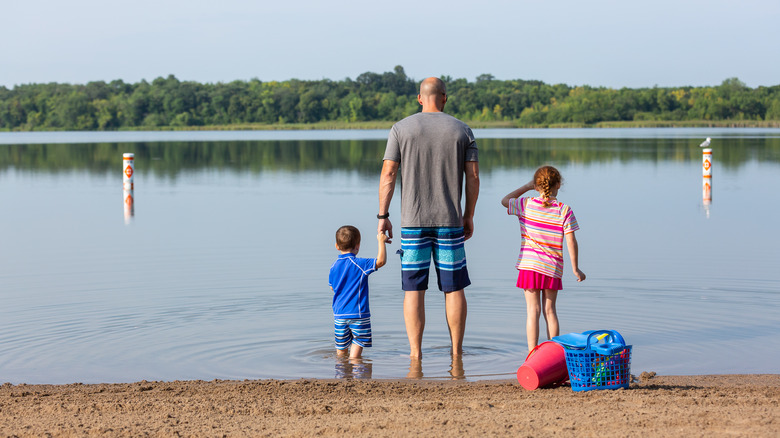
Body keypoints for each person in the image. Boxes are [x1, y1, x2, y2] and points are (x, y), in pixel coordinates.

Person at [378, 77, 480, 359]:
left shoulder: (400, 129)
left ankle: (415, 355)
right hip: (450, 221)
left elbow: (388, 174)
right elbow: (472, 177)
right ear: (445, 97)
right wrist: (468, 214)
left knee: (413, 290)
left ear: (419, 98)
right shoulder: (463, 130)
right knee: (454, 286)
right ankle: (457, 354)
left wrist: (383, 216)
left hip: (412, 222)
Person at [501, 166, 586, 353]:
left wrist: (526, 187)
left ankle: (532, 354)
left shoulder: (526, 204)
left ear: (536, 185)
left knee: (533, 312)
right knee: (550, 311)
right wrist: (575, 268)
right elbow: (571, 240)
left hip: (529, 266)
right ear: (558, 184)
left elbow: (504, 201)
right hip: (552, 268)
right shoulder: (564, 211)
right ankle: (554, 352)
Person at [328, 225, 388, 359]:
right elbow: (381, 261)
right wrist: (381, 241)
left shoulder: (334, 266)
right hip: (359, 314)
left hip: (339, 315)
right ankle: (355, 365)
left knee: (341, 348)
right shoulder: (360, 264)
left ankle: (342, 370)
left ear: (337, 246)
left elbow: (332, 287)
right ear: (358, 245)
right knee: (358, 342)